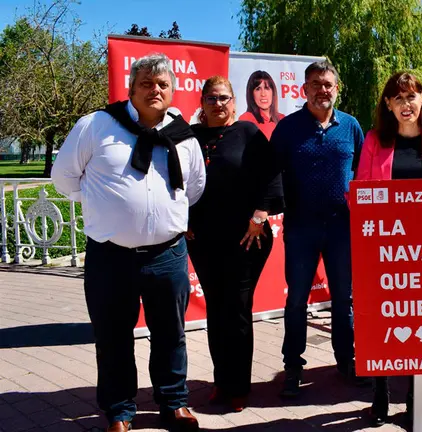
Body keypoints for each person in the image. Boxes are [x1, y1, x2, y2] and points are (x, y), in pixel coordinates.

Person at [51, 53, 206, 432]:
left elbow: (195, 188)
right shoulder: (96, 126)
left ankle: (173, 403)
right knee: (113, 336)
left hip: (167, 254)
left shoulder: (183, 135)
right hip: (111, 256)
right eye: (146, 84)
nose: (155, 90)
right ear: (131, 88)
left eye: (163, 84)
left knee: (171, 334)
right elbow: (64, 179)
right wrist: (106, 211)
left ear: (172, 90)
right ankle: (120, 411)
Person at [356, 71, 422, 428]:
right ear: (387, 104)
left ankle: (416, 398)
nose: (406, 104)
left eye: (412, 97)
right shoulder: (373, 141)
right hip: (385, 248)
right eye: (398, 98)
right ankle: (380, 388)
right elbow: (361, 194)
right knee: (385, 318)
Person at [187, 76, 283, 412]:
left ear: (233, 101)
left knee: (237, 309)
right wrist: (181, 219)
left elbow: (272, 176)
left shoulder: (248, 133)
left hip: (247, 238)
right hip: (203, 239)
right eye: (211, 98)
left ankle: (239, 386)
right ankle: (221, 381)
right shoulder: (190, 137)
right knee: (217, 309)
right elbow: (173, 179)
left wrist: (259, 216)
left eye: (224, 98)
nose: (218, 104)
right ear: (202, 101)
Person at [271, 60, 365, 398]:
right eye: (315, 83)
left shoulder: (351, 127)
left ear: (336, 89)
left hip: (343, 227)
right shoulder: (288, 128)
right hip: (301, 228)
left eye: (328, 84)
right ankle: (293, 367)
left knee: (345, 298)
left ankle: (347, 360)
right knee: (296, 300)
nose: (322, 89)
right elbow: (272, 173)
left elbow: (362, 172)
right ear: (304, 89)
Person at [239, 70, 285, 140]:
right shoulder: (246, 119)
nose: (263, 94)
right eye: (258, 89)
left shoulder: (282, 119)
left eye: (267, 88)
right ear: (251, 94)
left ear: (273, 92)